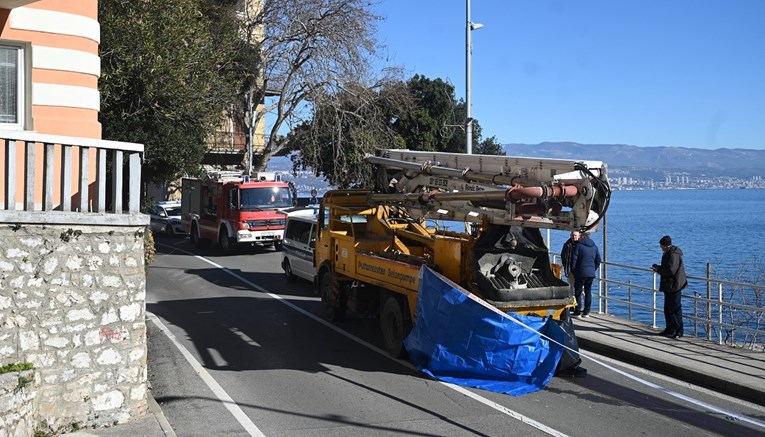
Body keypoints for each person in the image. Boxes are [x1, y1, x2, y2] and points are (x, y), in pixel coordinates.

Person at [652, 235, 688, 339]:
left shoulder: (673, 255)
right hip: (669, 285)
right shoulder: (669, 253)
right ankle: (670, 328)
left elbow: (671, 270)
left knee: (675, 308)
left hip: (674, 285)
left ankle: (678, 331)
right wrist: (659, 267)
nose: (661, 248)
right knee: (667, 308)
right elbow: (668, 268)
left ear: (665, 245)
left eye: (661, 246)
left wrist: (658, 269)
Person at [570, 232, 601, 317]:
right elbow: (598, 260)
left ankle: (577, 311)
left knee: (578, 292)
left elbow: (574, 260)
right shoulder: (594, 247)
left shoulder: (578, 246)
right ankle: (586, 312)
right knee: (588, 292)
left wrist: (573, 271)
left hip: (580, 273)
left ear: (582, 237)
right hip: (591, 273)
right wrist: (593, 269)